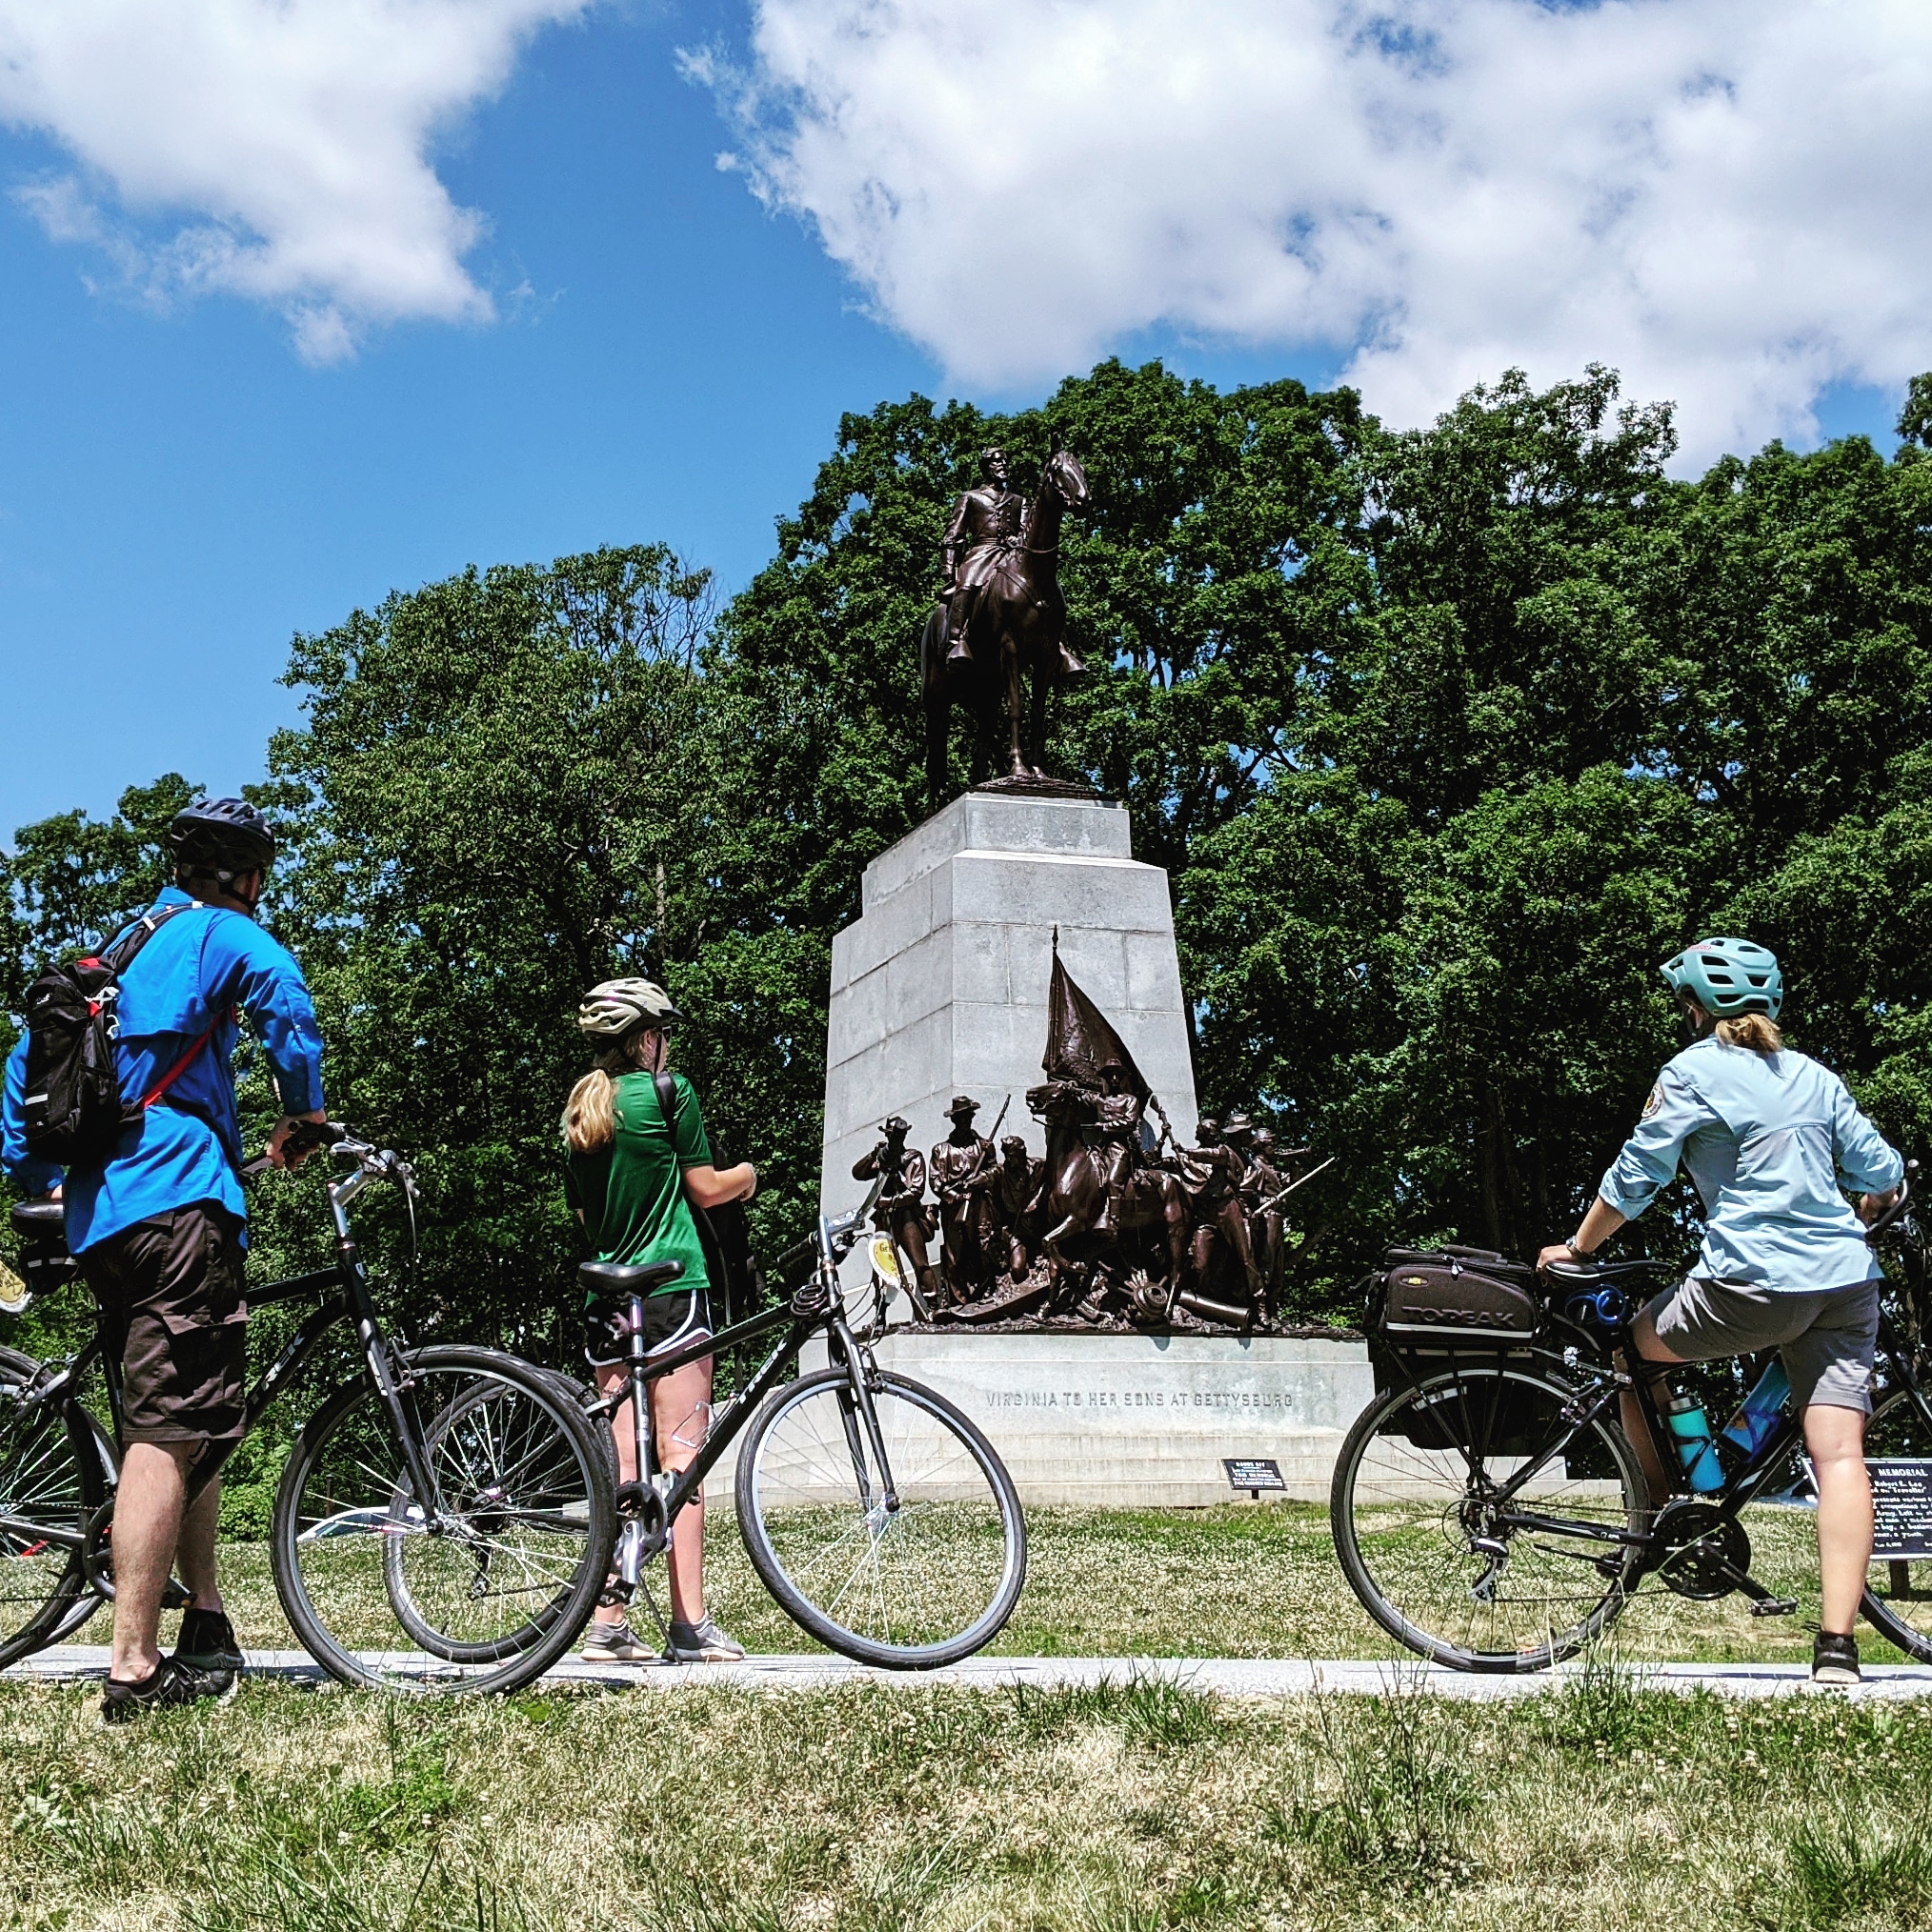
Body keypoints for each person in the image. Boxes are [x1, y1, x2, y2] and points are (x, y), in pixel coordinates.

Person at [1, 797, 327, 1721]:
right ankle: (135, 1666)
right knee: (166, 1431)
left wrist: (43, 1182)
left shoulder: (115, 955)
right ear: (246, 876)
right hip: (180, 1200)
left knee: (190, 1418)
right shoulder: (221, 932)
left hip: (102, 1216)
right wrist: (303, 1113)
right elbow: (287, 1001)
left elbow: (21, 1082)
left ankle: (205, 1617)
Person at [1536, 936, 1902, 1686]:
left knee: (1630, 1350)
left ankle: (1654, 1517)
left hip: (1748, 1285)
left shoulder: (1692, 1070)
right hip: (1844, 1284)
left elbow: (1638, 1175)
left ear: (1696, 1009)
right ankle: (1837, 1650)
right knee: (1840, 1458)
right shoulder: (1814, 1075)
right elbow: (1881, 1170)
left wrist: (1577, 1247)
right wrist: (1869, 1202)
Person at [562, 977, 755, 1665]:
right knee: (682, 1458)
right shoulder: (670, 1092)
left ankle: (608, 1624)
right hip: (672, 1287)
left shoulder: (582, 1110)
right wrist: (746, 1175)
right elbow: (705, 1188)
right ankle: (690, 1623)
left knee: (623, 1464)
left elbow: (584, 1215)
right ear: (648, 1039)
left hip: (607, 1300)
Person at [938, 448, 1027, 664]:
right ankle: (956, 641)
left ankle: (1060, 648)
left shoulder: (1019, 500)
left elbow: (1027, 532)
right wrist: (948, 566)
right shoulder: (970, 497)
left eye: (1005, 461)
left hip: (1012, 555)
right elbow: (954, 534)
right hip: (983, 552)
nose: (1003, 465)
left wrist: (1019, 541)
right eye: (997, 462)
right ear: (986, 468)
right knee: (967, 586)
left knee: (1045, 591)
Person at [852, 1116, 940, 1314]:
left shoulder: (912, 1157)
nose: (895, 1140)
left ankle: (934, 1306)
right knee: (881, 1267)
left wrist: (891, 1201)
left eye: (899, 1136)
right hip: (884, 1219)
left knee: (919, 1262)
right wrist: (873, 1154)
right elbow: (858, 1173)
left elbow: (916, 1190)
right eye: (892, 1136)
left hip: (907, 1217)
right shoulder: (882, 1159)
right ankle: (880, 1312)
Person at [931, 1097, 1000, 1304]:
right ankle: (959, 1300)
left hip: (980, 1203)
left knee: (984, 1247)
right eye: (961, 1118)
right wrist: (956, 1196)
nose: (965, 1121)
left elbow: (995, 1171)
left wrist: (981, 1180)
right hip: (954, 1207)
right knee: (955, 1254)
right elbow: (936, 1182)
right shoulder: (941, 1150)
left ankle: (987, 1291)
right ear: (954, 1120)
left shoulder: (984, 1146)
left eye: (968, 1117)